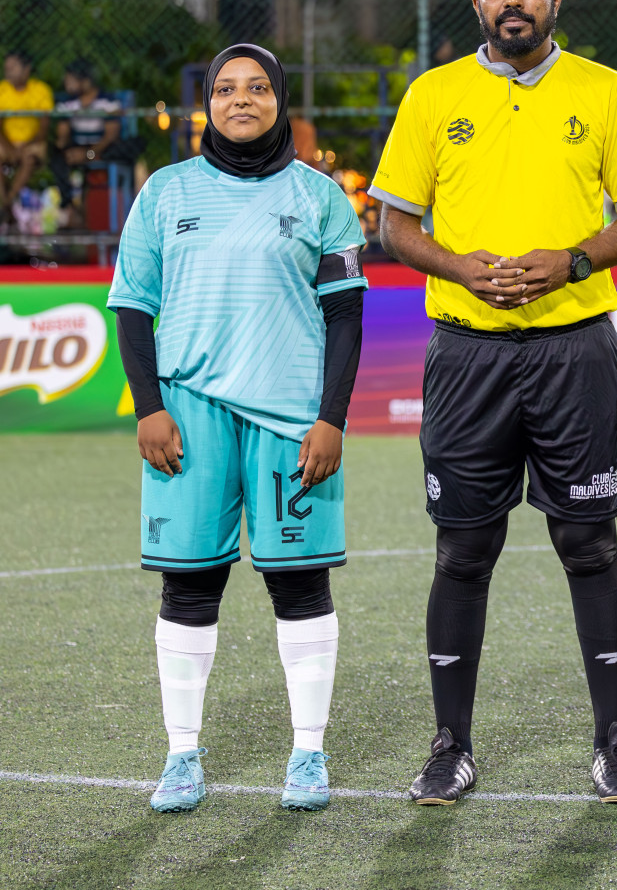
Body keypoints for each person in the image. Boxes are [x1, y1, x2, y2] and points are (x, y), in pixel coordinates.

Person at [370, 0, 617, 807]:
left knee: (587, 541)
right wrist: (462, 267)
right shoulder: (433, 95)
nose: (513, 0)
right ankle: (450, 745)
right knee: (463, 550)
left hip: (574, 348)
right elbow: (393, 224)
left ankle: (613, 739)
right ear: (476, 1)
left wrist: (573, 260)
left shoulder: (605, 92)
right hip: (466, 354)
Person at [107, 44, 368, 814]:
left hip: (292, 417)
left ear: (280, 101)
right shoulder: (165, 192)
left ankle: (309, 754)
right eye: (226, 88)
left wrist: (331, 418)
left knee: (298, 580)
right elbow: (131, 305)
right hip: (188, 413)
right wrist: (149, 405)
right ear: (207, 105)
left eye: (258, 88)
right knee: (189, 585)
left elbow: (346, 314)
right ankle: (182, 755)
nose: (241, 100)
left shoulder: (321, 196)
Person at [52, 59, 122, 228]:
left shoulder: (107, 101)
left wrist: (88, 154)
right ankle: (68, 205)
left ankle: (90, 216)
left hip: (102, 147)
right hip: (78, 146)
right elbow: (62, 138)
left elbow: (111, 135)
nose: (66, 83)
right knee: (56, 156)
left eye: (71, 79)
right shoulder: (67, 102)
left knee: (120, 150)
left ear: (85, 81)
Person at [0, 51, 53, 212]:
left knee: (29, 159)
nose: (8, 72)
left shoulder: (40, 90)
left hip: (33, 142)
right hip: (6, 142)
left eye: (13, 68)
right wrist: (10, 148)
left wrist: (23, 147)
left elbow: (44, 127)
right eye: (6, 68)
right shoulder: (2, 90)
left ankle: (7, 204)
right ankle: (4, 203)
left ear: (26, 69)